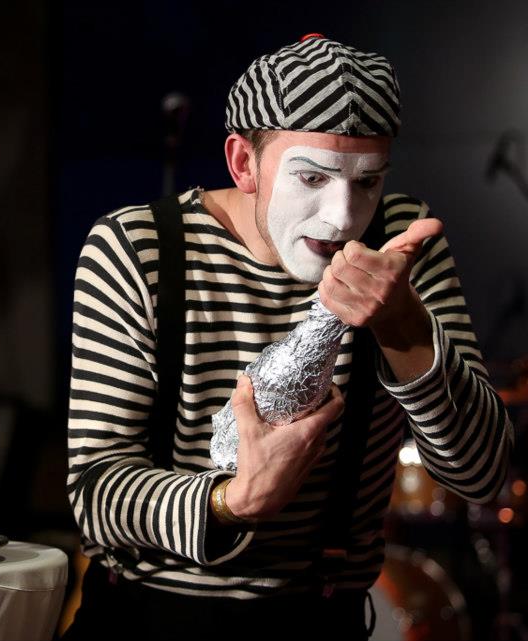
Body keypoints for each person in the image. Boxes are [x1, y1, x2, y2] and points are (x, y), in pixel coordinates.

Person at [63, 34, 513, 640]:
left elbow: (481, 473)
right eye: (312, 177)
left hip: (318, 618)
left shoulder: (401, 247)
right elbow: (95, 492)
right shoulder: (136, 250)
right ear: (243, 164)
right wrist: (234, 501)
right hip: (147, 618)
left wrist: (402, 324)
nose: (342, 217)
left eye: (367, 182)